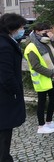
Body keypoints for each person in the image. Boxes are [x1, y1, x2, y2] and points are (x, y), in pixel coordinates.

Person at [24, 22, 54, 133]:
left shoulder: (46, 42)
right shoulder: (32, 46)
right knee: (42, 102)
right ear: (37, 32)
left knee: (53, 99)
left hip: (51, 77)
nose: (48, 34)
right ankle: (41, 126)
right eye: (45, 32)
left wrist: (53, 40)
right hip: (42, 79)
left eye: (48, 31)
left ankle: (49, 122)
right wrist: (51, 74)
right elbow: (36, 66)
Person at [0, 13, 26, 161]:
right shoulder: (5, 46)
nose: (22, 30)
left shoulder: (7, 42)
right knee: (4, 132)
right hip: (5, 97)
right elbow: (6, 75)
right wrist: (16, 92)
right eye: (21, 27)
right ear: (12, 28)